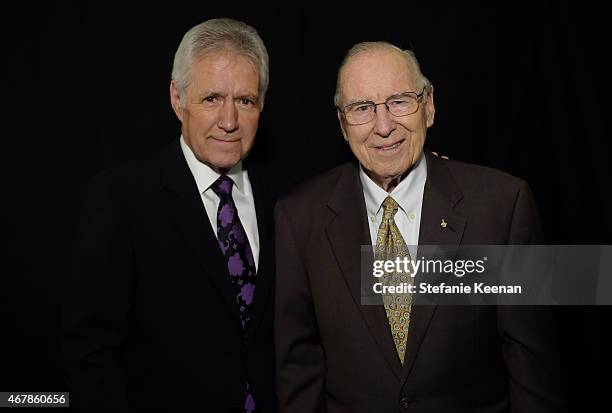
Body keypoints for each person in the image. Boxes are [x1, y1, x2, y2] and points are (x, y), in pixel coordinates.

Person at [275, 41, 566, 412]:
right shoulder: (299, 217)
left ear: (427, 107)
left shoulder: (501, 207)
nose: (384, 126)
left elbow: (534, 372)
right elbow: (298, 369)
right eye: (362, 108)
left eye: (399, 101)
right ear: (343, 124)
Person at [62, 18, 276, 413]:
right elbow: (89, 351)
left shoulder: (285, 200)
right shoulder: (119, 199)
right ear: (177, 99)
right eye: (211, 99)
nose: (229, 122)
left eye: (245, 101)